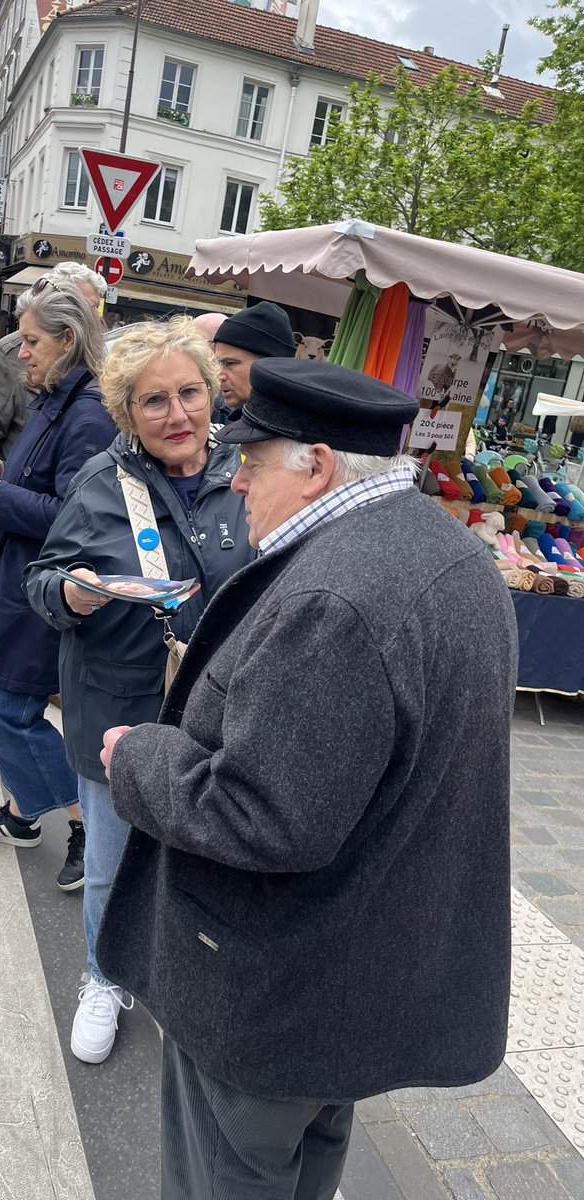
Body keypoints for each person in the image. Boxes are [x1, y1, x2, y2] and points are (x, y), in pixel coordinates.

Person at [96, 358, 517, 1200]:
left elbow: (265, 816)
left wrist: (135, 757)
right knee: (307, 1163)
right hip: (356, 976)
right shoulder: (450, 554)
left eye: (251, 465)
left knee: (226, 1177)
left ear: (317, 465)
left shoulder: (336, 598)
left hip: (272, 988)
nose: (236, 485)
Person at [25, 317, 254, 1064]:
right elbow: (43, 580)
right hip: (117, 702)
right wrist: (75, 594)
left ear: (213, 393)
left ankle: (186, 976)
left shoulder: (247, 471)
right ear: (126, 413)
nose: (177, 414)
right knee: (113, 862)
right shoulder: (100, 483)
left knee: (202, 860)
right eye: (154, 401)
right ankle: (104, 976)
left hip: (220, 712)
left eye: (190, 392)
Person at [0, 282, 117, 890]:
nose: (21, 351)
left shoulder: (88, 413)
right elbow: (42, 481)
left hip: (41, 590)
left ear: (68, 341)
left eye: (33, 341)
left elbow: (76, 517)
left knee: (9, 713)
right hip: (17, 582)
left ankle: (90, 824)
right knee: (6, 705)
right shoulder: (54, 398)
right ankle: (24, 817)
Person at [0, 262, 106, 459]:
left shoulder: (97, 356)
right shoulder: (7, 355)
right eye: (85, 307)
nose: (93, 317)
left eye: (96, 308)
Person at [212, 300, 296, 419]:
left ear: (269, 366)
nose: (219, 376)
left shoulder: (300, 431)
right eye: (217, 364)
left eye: (229, 363)